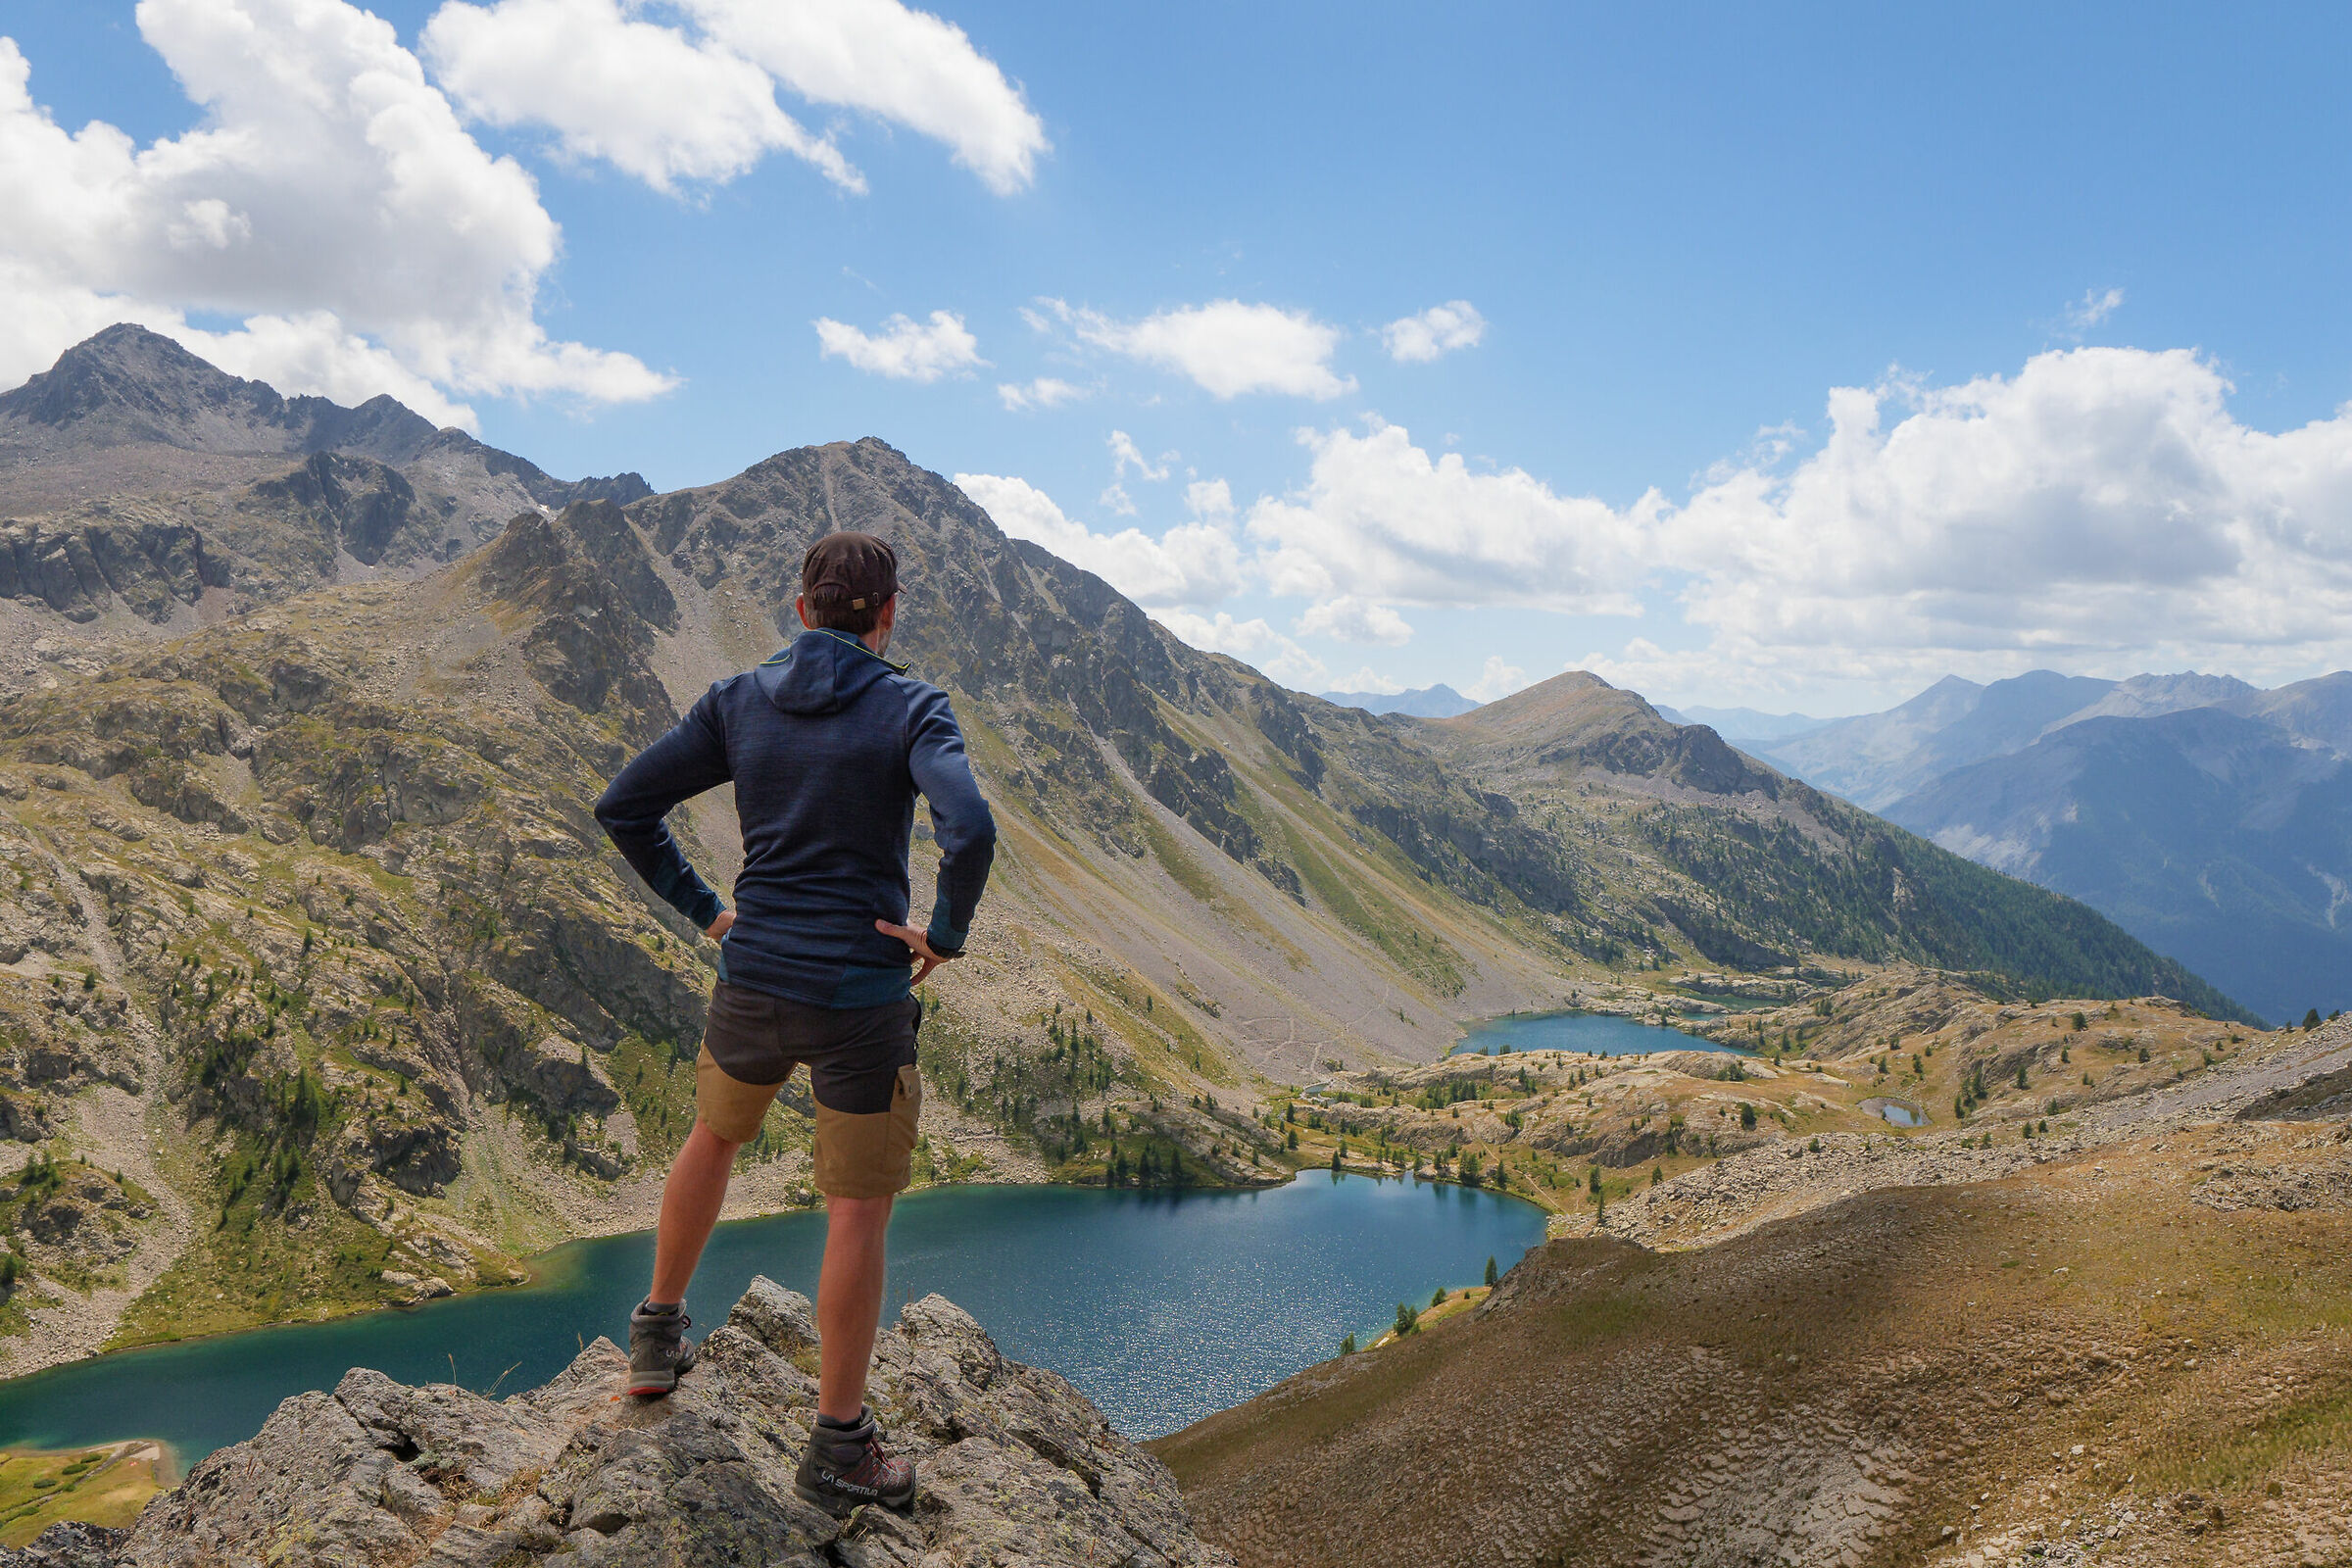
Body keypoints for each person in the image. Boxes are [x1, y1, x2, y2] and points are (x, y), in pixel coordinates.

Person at [592, 530, 996, 1513]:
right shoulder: (911, 707)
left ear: (801, 607)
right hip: (861, 1004)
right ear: (887, 614)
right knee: (856, 1211)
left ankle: (655, 1340)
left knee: (715, 1135)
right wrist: (939, 932)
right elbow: (970, 825)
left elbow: (626, 804)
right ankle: (839, 1447)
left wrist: (707, 910)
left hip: (755, 982)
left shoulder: (737, 701)